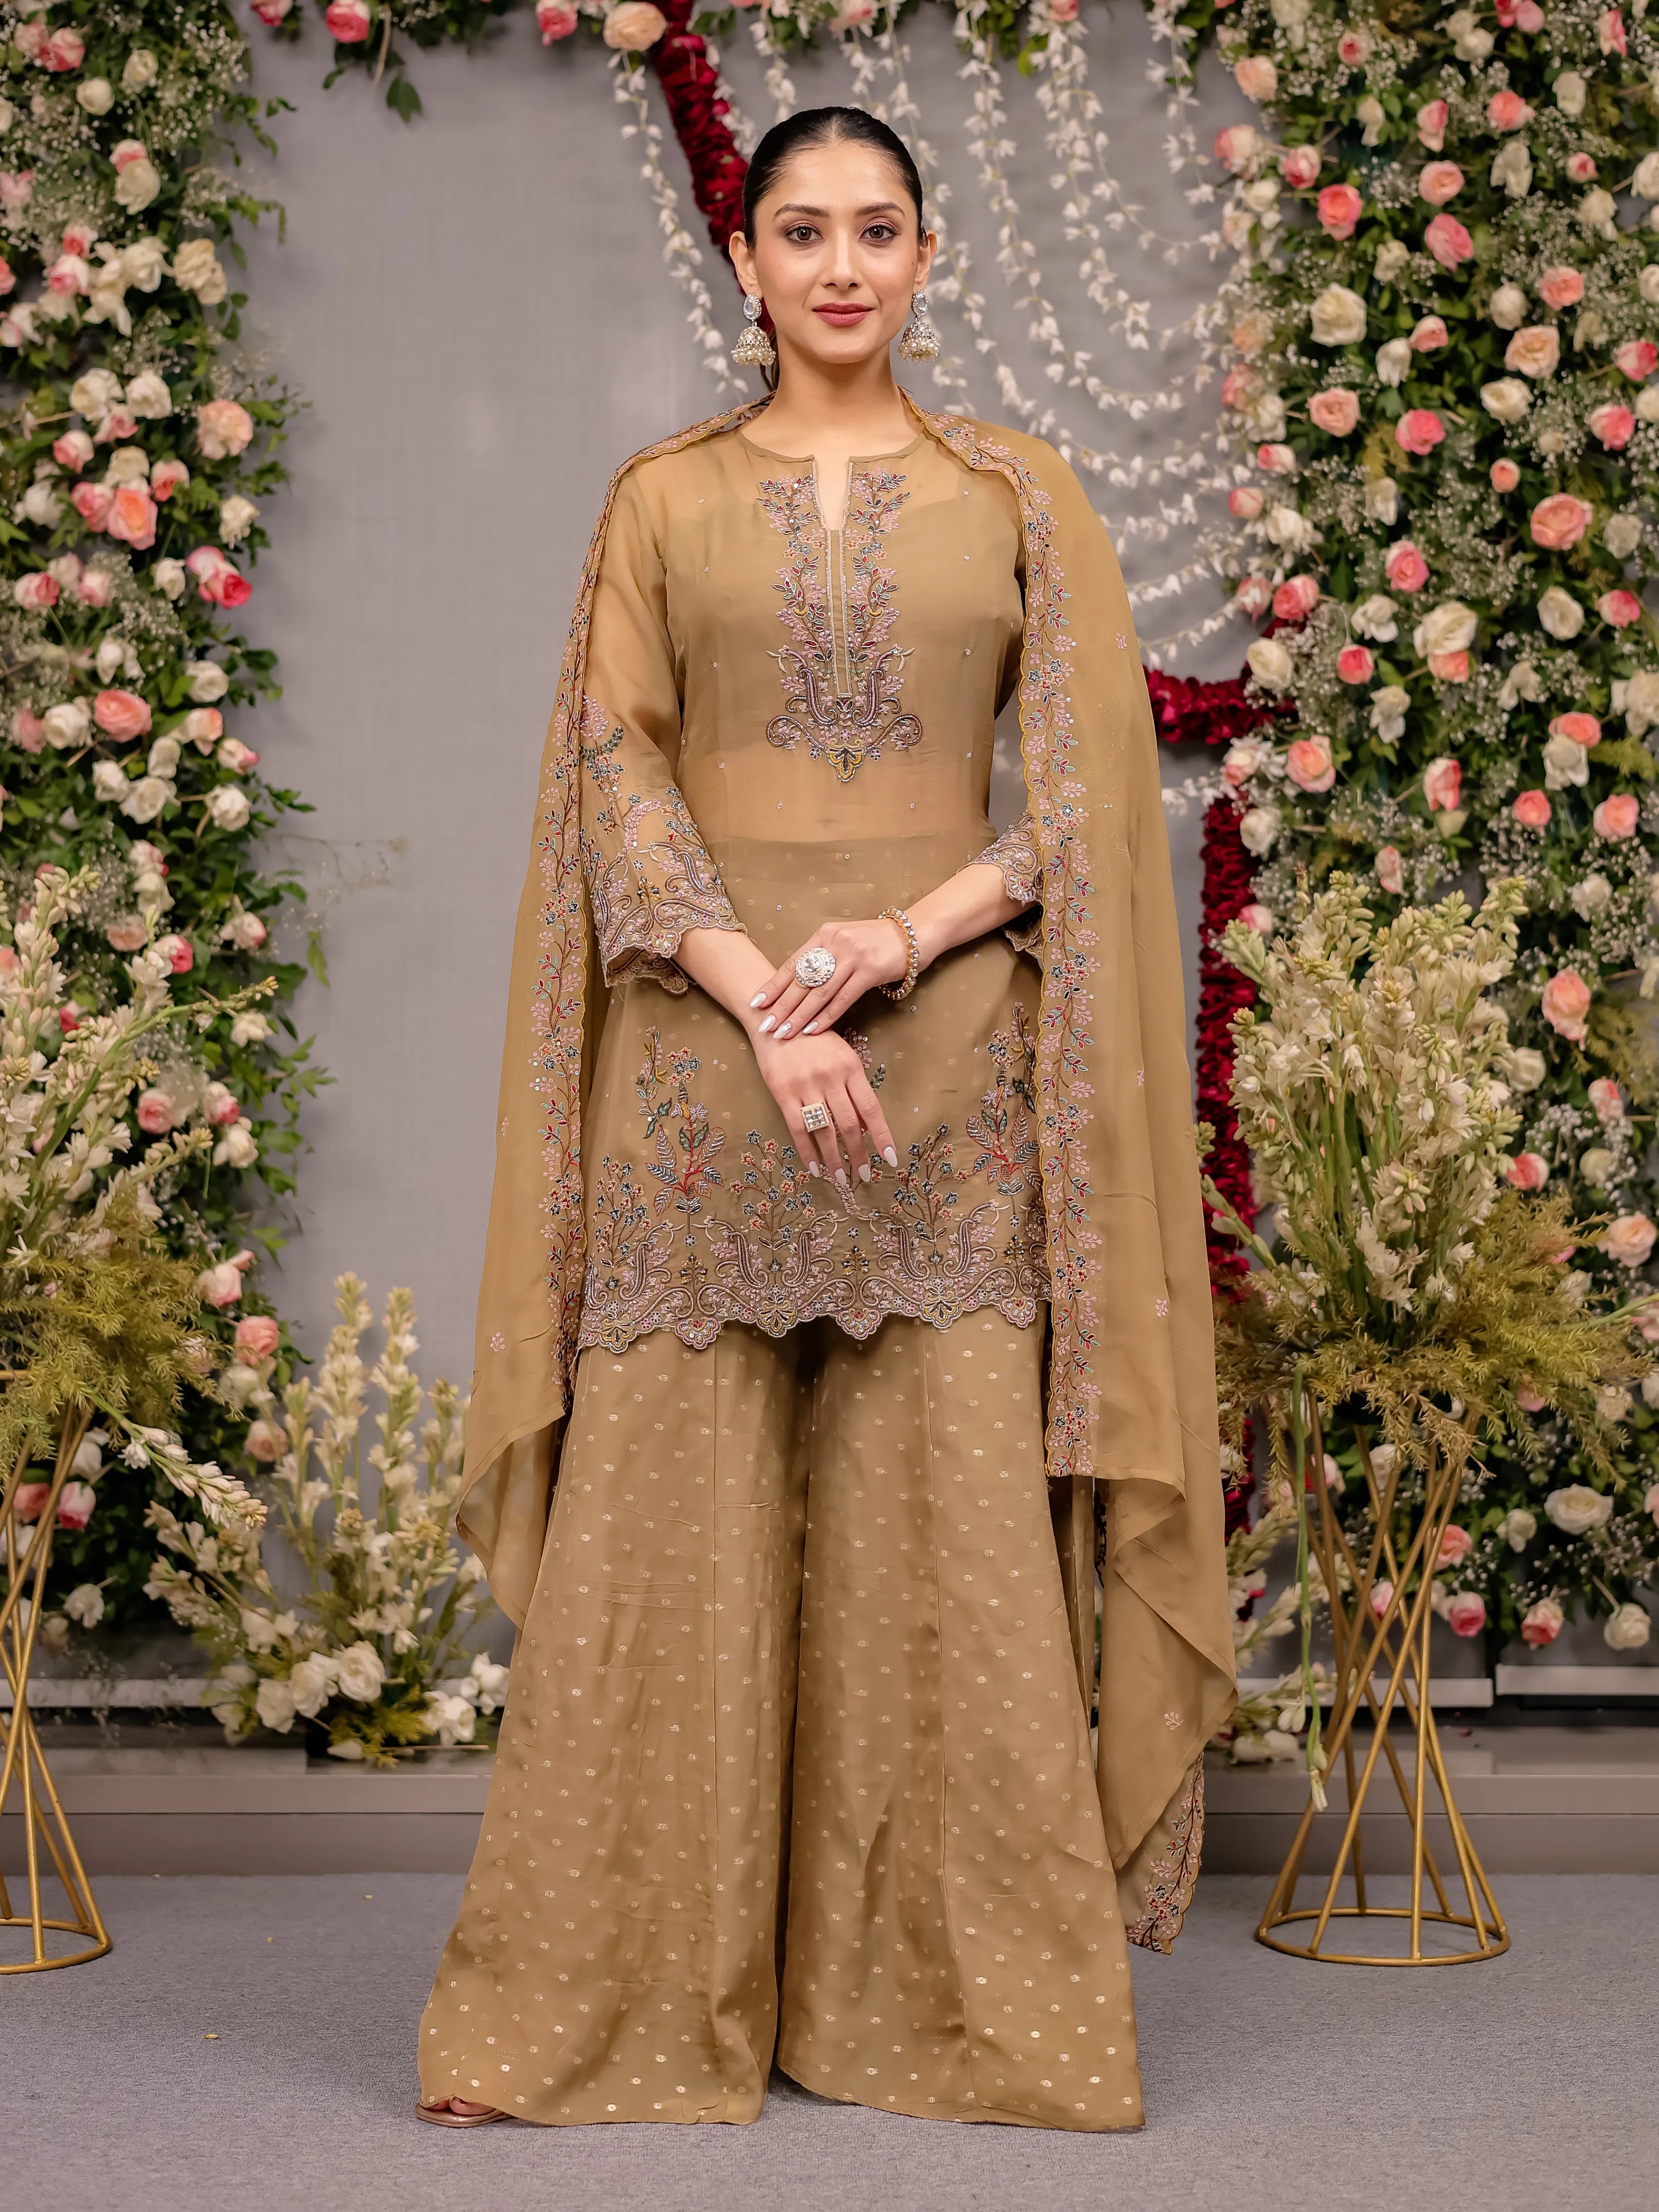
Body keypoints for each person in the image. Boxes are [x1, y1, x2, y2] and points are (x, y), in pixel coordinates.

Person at [416, 104, 1233, 2134]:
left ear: (928, 255)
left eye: (878, 228)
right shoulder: (663, 501)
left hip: (950, 1059)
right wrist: (750, 991)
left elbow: (1074, 804)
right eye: (803, 230)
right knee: (665, 1535)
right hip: (704, 1065)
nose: (843, 265)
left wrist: (892, 937)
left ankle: (949, 2017)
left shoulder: (1016, 500)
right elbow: (613, 774)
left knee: (940, 1535)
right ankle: (599, 2008)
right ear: (748, 262)